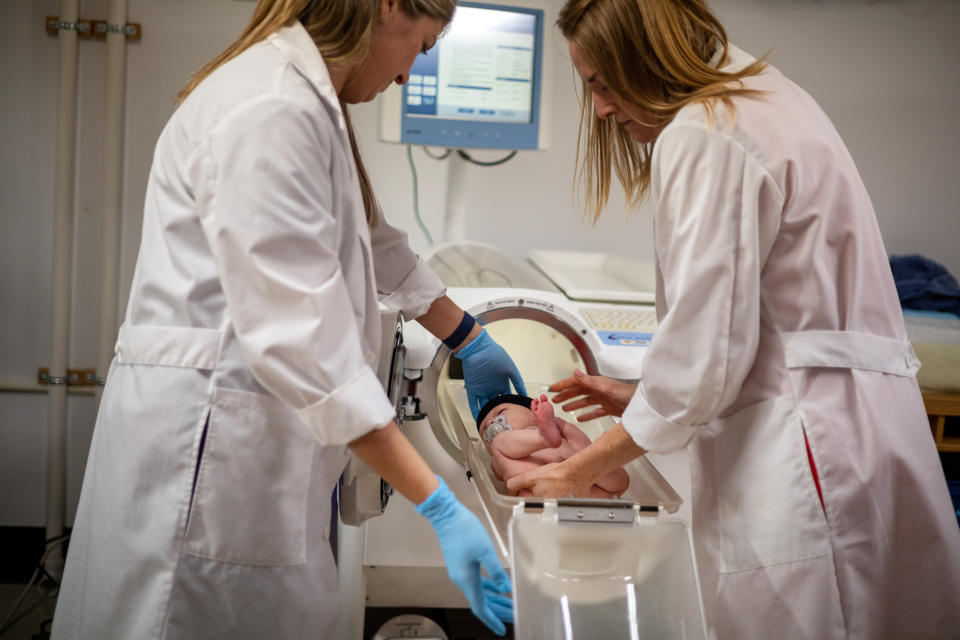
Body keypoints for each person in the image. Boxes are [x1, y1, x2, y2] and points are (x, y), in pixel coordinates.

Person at [50, 1, 526, 638]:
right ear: (387, 7)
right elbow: (305, 348)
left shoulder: (308, 102)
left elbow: (376, 246)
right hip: (208, 456)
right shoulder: (270, 108)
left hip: (250, 450)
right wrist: (438, 503)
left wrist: (470, 338)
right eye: (424, 44)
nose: (411, 74)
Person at [507, 1, 960, 638]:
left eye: (601, 82)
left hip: (805, 453)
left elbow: (700, 370)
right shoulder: (770, 95)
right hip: (853, 426)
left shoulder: (706, 130)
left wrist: (572, 472)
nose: (603, 108)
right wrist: (645, 397)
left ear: (643, 58)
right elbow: (760, 326)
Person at [476, 393, 630, 498]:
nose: (490, 423)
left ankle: (594, 455)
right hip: (540, 496)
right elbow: (499, 472)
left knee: (618, 481)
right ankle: (589, 454)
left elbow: (574, 438)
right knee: (499, 442)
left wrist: (567, 430)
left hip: (586, 484)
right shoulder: (499, 455)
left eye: (500, 412)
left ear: (533, 413)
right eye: (484, 430)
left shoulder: (561, 438)